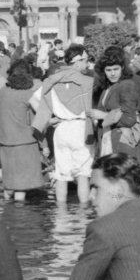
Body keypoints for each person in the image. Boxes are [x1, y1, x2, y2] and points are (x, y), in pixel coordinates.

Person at [32, 44, 95, 204]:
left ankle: (61, 217)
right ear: (77, 61)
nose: (87, 64)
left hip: (61, 129)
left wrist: (49, 118)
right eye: (85, 60)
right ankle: (83, 216)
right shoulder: (88, 81)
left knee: (61, 175)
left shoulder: (51, 80)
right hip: (81, 128)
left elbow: (34, 99)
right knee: (83, 175)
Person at [93, 47, 140, 170]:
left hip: (124, 142)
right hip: (112, 139)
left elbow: (129, 119)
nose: (112, 73)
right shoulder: (108, 86)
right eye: (108, 70)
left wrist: (103, 115)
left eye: (116, 69)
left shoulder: (126, 85)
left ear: (122, 68)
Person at [0, 63, 44, 201]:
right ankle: (19, 214)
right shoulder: (27, 94)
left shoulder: (2, 91)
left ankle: (8, 213)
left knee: (9, 184)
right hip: (24, 143)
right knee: (21, 186)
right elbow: (42, 112)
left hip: (5, 141)